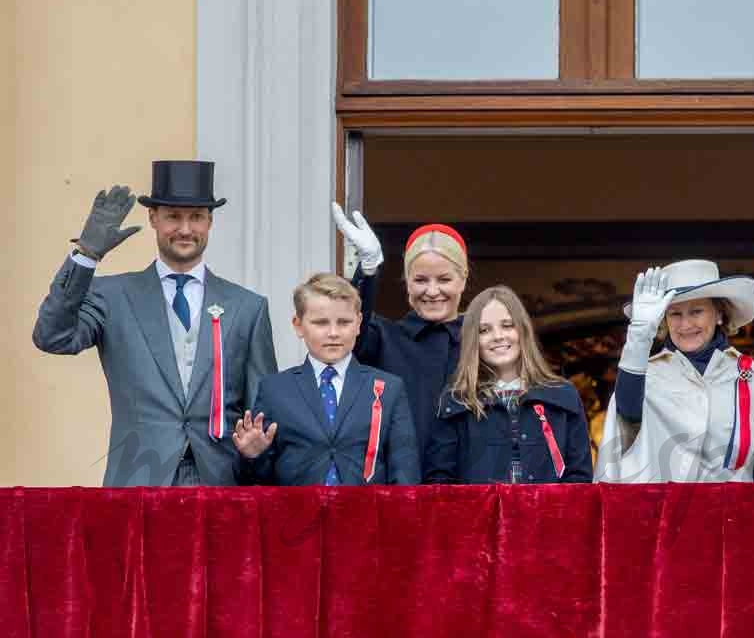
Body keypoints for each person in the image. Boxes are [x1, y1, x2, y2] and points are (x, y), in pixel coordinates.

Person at [32, 160, 277, 485]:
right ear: (153, 218)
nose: (186, 229)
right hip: (137, 479)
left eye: (196, 218)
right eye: (173, 216)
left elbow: (263, 408)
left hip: (222, 483)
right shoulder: (112, 295)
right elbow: (52, 336)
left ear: (210, 221)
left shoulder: (247, 307)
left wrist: (256, 456)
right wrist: (86, 256)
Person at [233, 273, 418, 485]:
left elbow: (405, 473)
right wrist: (252, 456)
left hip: (366, 515)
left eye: (344, 323)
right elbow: (256, 481)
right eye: (320, 323)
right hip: (296, 515)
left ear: (358, 323)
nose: (333, 333)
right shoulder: (275, 390)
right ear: (298, 325)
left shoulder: (388, 389)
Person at [595, 260, 754, 483]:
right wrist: (640, 335)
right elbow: (626, 414)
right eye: (675, 314)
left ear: (719, 313)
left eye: (696, 311)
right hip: (664, 514)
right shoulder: (647, 375)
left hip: (735, 514)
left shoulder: (752, 376)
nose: (685, 324)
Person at [332, 204, 467, 470]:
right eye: (420, 280)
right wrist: (367, 271)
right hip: (401, 485)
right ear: (406, 281)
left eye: (444, 279)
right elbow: (348, 332)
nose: (432, 290)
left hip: (473, 489)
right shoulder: (384, 337)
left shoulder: (482, 341)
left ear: (463, 279)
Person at [425, 285, 592, 484]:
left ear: (523, 331)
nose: (498, 336)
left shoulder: (563, 395)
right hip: (478, 515)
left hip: (548, 514)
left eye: (507, 325)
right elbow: (439, 483)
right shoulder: (456, 400)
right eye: (484, 330)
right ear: (473, 340)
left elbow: (579, 478)